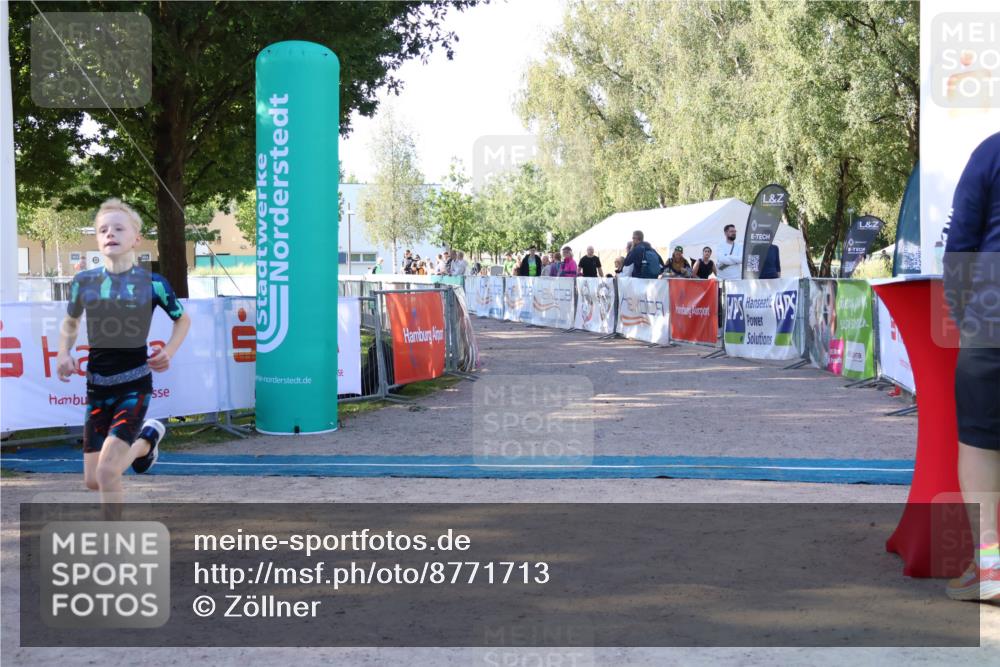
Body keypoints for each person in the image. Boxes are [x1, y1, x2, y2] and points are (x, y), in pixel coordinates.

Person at [56, 199, 191, 507]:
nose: (110, 234)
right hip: (96, 387)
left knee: (107, 472)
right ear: (97, 239)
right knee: (93, 480)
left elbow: (182, 318)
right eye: (103, 229)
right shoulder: (84, 281)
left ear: (136, 239)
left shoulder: (153, 283)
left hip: (134, 386)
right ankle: (146, 442)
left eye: (119, 228)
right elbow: (71, 321)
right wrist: (63, 353)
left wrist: (169, 350)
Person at [942, 131, 1000, 601]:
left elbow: (960, 243)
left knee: (981, 445)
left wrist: (964, 315)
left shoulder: (990, 151)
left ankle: (991, 567)